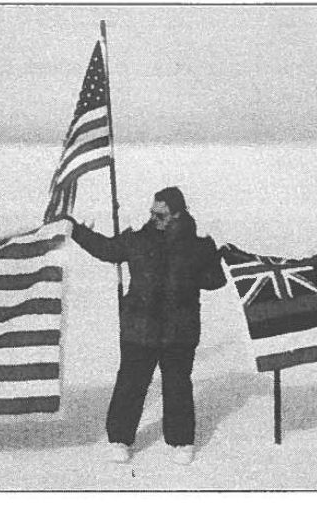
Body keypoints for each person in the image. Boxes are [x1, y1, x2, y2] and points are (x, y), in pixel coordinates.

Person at [64, 187, 226, 465]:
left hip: (180, 331)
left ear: (177, 213)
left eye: (160, 214)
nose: (153, 218)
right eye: (152, 212)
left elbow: (214, 281)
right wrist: (77, 231)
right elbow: (106, 249)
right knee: (130, 384)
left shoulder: (197, 246)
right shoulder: (138, 240)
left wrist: (213, 253)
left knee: (177, 387)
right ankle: (120, 439)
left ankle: (181, 442)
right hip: (139, 329)